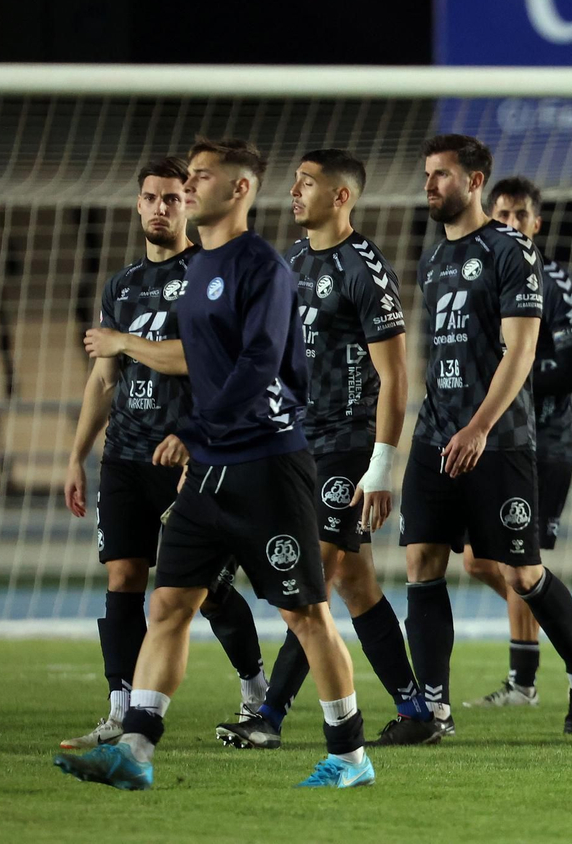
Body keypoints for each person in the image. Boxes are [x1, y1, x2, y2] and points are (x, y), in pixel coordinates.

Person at [55, 138, 374, 789]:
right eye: (187, 176)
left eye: (201, 177)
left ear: (239, 190)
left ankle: (350, 757)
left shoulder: (263, 267)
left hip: (266, 467)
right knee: (169, 602)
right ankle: (137, 749)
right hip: (209, 468)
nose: (188, 186)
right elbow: (203, 362)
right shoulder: (200, 269)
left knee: (306, 614)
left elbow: (259, 364)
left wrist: (197, 429)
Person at [214, 149, 435, 749]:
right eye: (295, 182)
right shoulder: (290, 262)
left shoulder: (364, 269)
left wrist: (382, 465)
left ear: (341, 197)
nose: (294, 192)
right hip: (299, 442)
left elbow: (396, 376)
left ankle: (272, 716)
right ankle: (417, 711)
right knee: (356, 583)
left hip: (347, 445)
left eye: (307, 183)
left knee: (312, 577)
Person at [61, 156, 266, 750]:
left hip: (189, 455)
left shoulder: (208, 274)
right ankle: (120, 709)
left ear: (188, 203)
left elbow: (205, 360)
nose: (160, 207)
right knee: (124, 576)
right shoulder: (121, 285)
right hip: (124, 454)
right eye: (150, 197)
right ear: (137, 204)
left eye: (172, 198)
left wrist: (126, 341)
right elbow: (103, 380)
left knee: (206, 591)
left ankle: (254, 686)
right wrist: (77, 455)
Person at [401, 134, 572, 738]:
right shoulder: (433, 258)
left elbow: (522, 350)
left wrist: (480, 426)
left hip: (499, 438)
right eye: (427, 174)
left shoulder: (511, 250)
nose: (430, 184)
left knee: (521, 574)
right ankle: (434, 709)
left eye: (442, 174)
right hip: (436, 435)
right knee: (423, 562)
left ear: (475, 180)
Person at [462, 176, 572, 709]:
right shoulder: (476, 279)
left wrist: (512, 378)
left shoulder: (553, 281)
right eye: (501, 213)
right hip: (491, 441)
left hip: (543, 443)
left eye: (521, 214)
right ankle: (567, 623)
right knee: (478, 561)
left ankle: (523, 685)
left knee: (513, 561)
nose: (510, 223)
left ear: (537, 223)